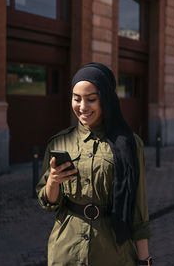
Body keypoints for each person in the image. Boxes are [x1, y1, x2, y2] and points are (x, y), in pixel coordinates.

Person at [36, 62, 153, 266]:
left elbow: (138, 207)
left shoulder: (130, 143)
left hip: (112, 252)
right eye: (76, 99)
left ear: (106, 99)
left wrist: (145, 260)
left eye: (91, 99)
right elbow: (49, 203)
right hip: (66, 250)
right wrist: (53, 182)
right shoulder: (60, 141)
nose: (82, 107)